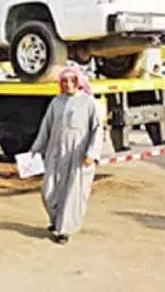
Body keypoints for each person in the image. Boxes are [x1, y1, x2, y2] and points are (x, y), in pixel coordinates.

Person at [29, 65, 103, 244]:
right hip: (55, 153)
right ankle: (57, 220)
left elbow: (97, 129)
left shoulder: (89, 102)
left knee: (72, 193)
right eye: (65, 81)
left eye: (72, 81)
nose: (69, 84)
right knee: (49, 191)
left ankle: (64, 230)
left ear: (79, 82)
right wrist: (35, 150)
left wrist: (91, 153)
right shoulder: (56, 102)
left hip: (77, 156)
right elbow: (46, 128)